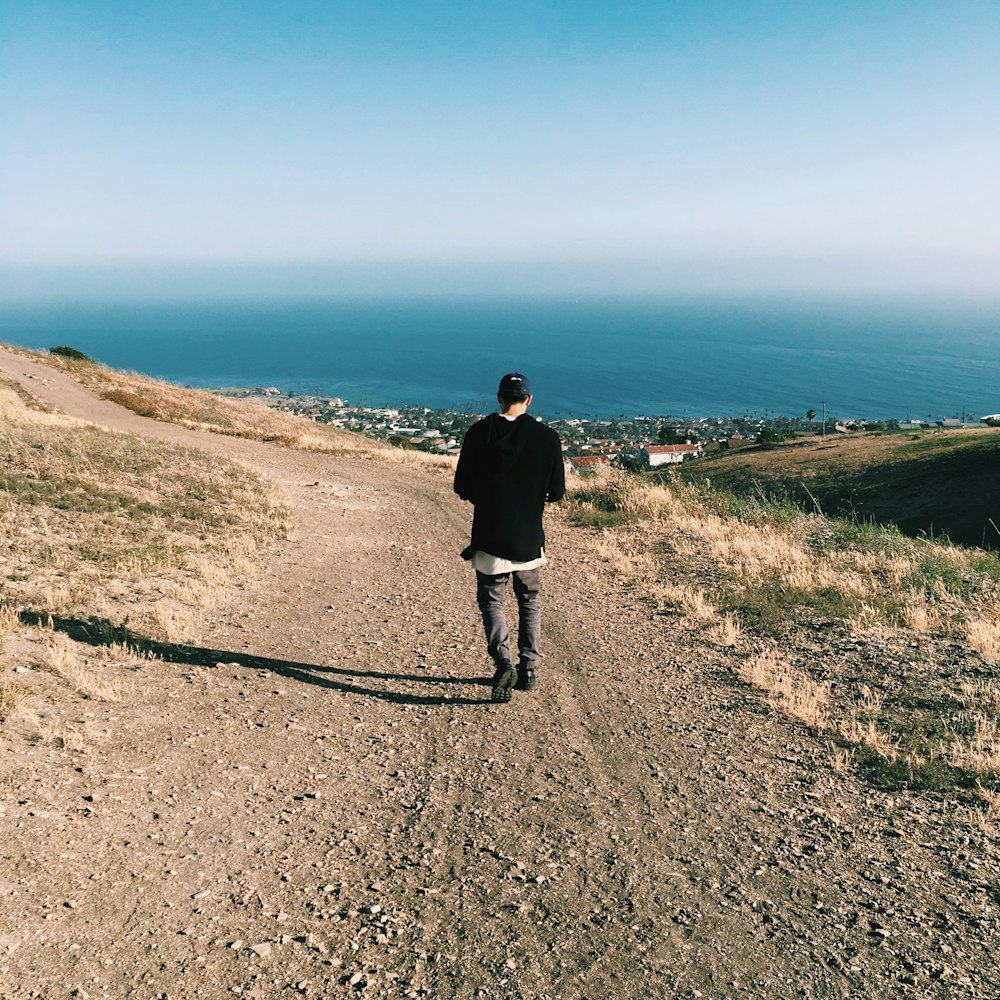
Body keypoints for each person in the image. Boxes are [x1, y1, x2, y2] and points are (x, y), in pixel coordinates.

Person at [454, 372, 566, 703]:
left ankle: (503, 661)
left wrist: (487, 499)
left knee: (492, 600)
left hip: (489, 535)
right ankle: (528, 668)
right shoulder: (547, 438)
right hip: (528, 538)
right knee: (529, 600)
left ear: (499, 398)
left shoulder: (477, 433)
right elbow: (556, 492)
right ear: (528, 400)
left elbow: (462, 487)